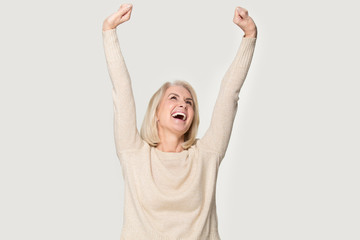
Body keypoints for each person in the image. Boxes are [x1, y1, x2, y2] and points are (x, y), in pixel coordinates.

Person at [102, 3, 257, 239]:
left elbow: (229, 94)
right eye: (173, 98)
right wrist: (109, 31)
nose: (183, 104)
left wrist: (249, 36)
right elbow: (121, 91)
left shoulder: (206, 155)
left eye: (189, 102)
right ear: (156, 112)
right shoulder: (135, 154)